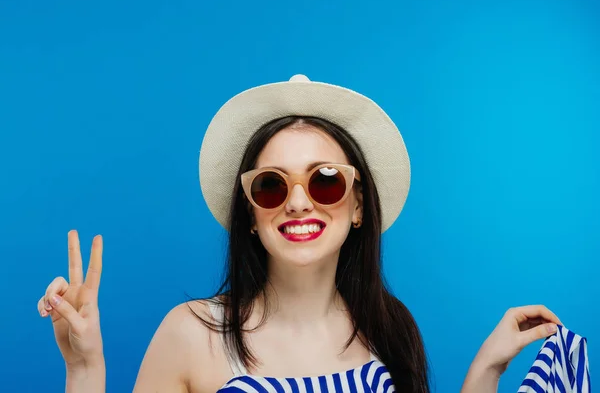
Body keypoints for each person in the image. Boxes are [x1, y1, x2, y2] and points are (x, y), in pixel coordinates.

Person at [37, 74, 562, 393]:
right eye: (270, 185)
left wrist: (486, 369)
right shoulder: (190, 332)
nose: (297, 200)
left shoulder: (390, 328)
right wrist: (86, 367)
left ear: (358, 205)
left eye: (325, 180)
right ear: (248, 212)